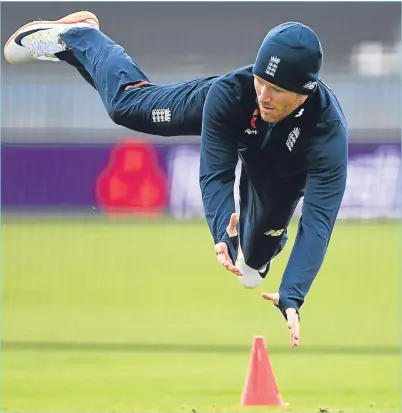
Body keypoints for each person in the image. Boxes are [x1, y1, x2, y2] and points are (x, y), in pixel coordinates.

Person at [4, 11, 348, 349]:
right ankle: (82, 38)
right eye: (260, 79)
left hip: (281, 175)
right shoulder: (234, 93)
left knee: (253, 269)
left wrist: (293, 293)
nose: (263, 95)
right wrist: (220, 235)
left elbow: (318, 223)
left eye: (275, 88)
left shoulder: (327, 135)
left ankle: (260, 245)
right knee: (125, 106)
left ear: (305, 90)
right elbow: (216, 172)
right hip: (238, 125)